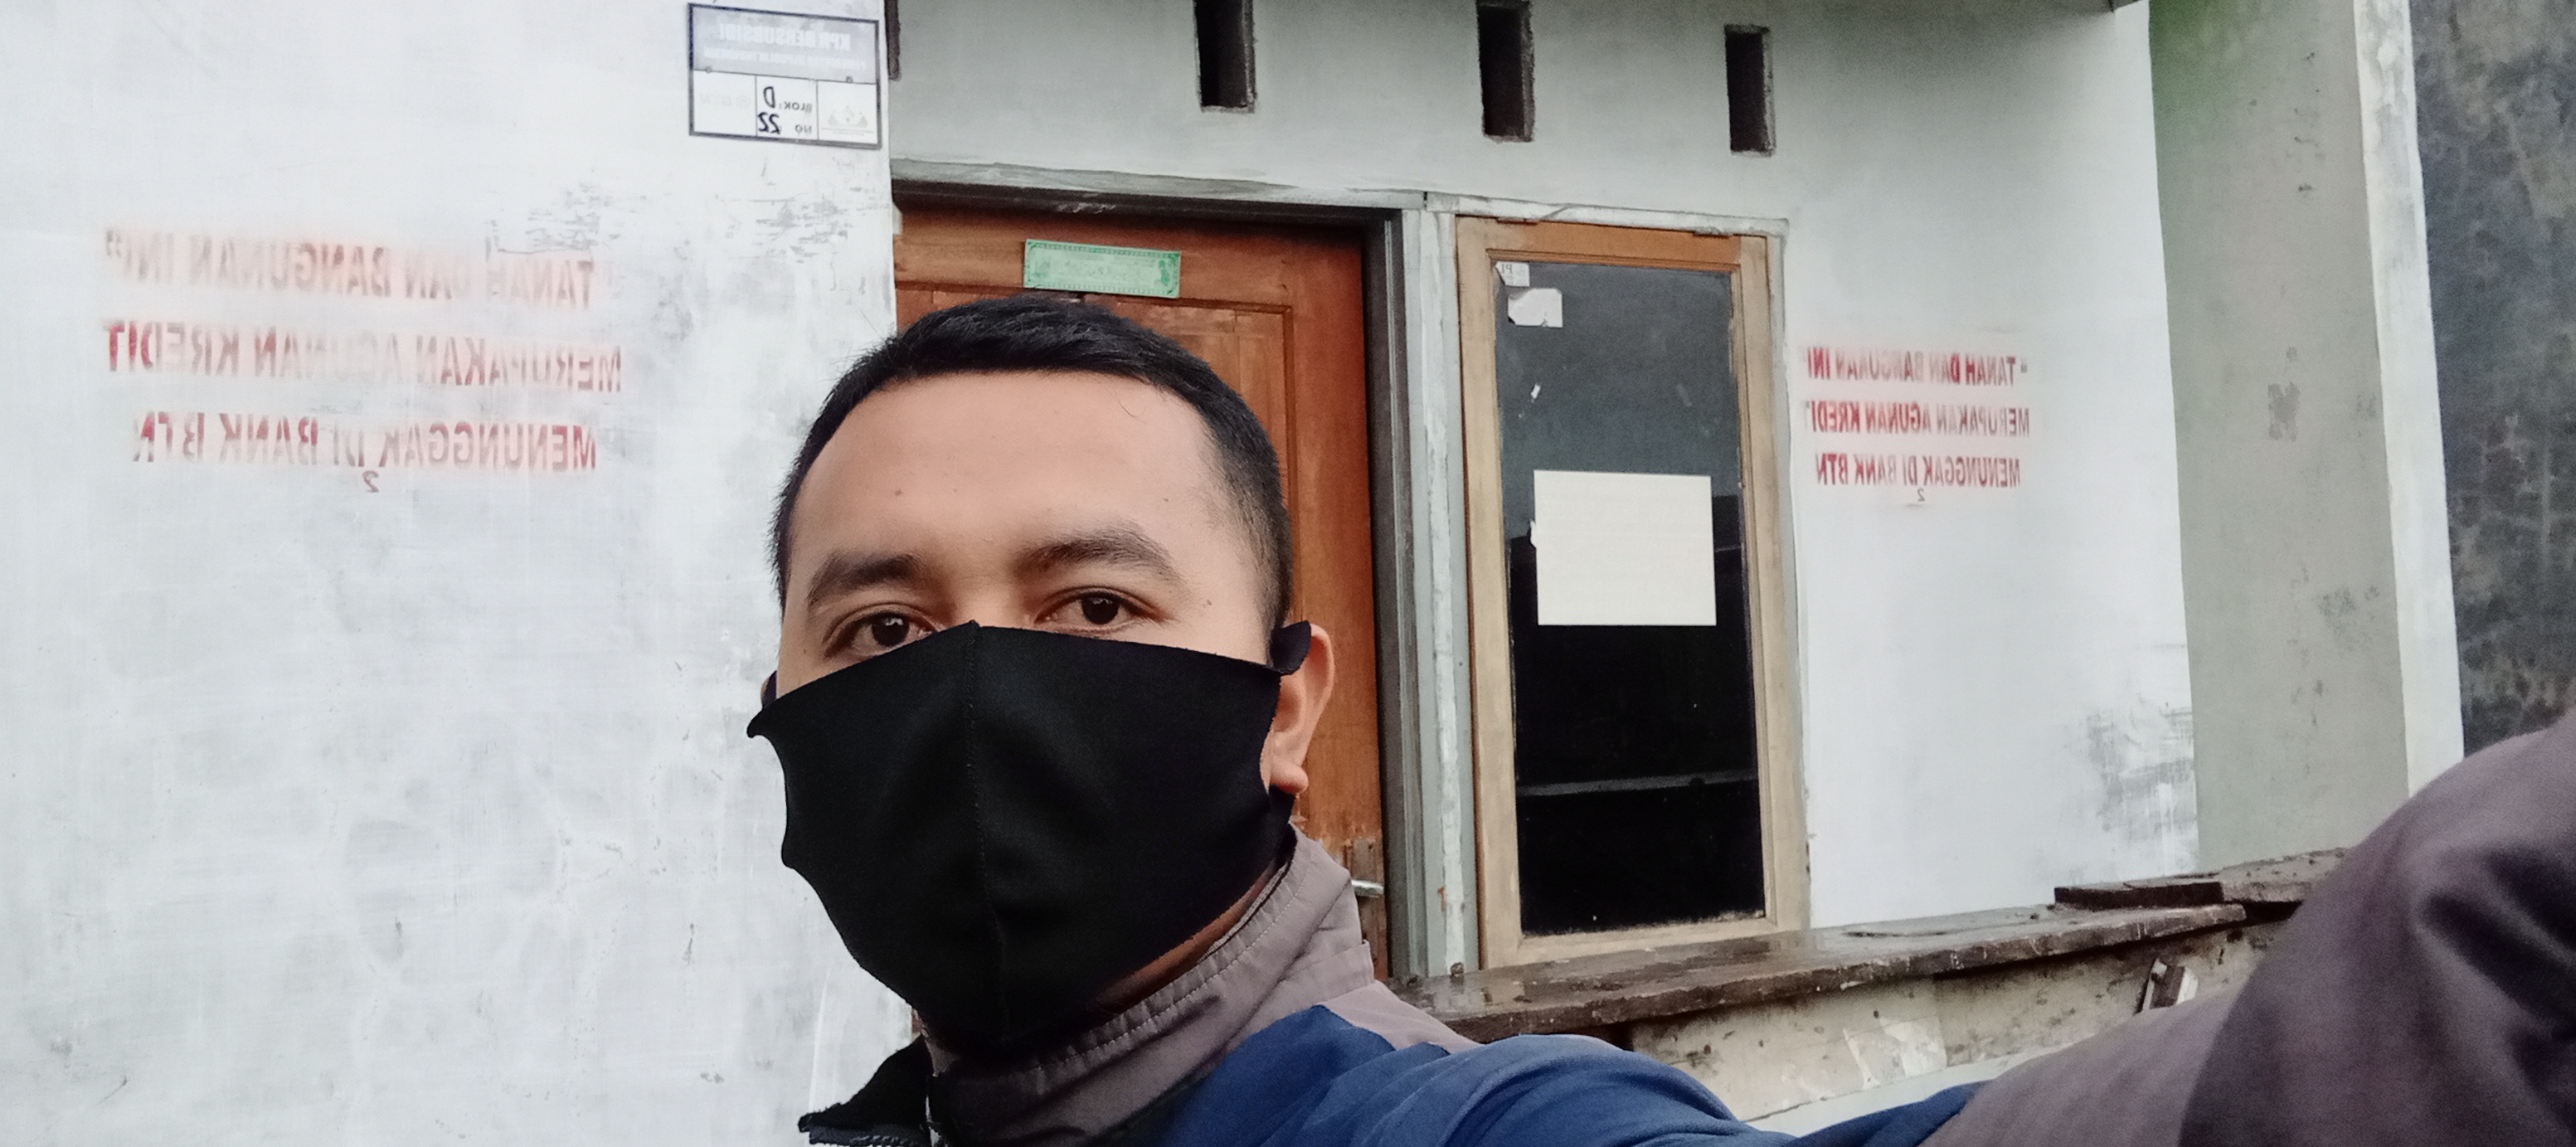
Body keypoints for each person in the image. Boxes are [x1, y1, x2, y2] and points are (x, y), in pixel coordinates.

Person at [750, 296, 2574, 1147]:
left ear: (1284, 704)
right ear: (781, 705)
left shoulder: (1457, 1129)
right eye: (885, 626)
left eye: (1094, 607)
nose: (977, 690)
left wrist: (2469, 964)